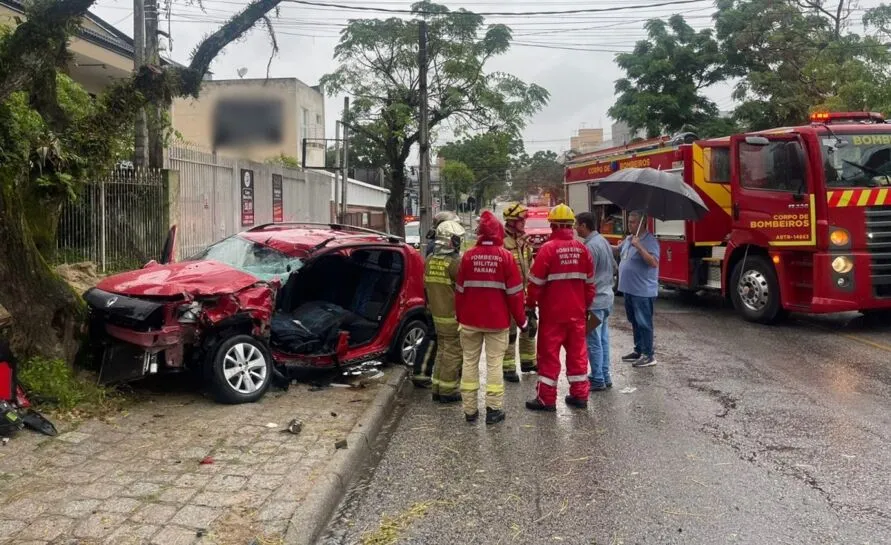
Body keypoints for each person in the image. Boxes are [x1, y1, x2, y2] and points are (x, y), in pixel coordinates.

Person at [455, 211, 527, 425]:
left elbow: (459, 291)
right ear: (498, 232)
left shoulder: (468, 256)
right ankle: (493, 410)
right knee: (495, 364)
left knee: (469, 362)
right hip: (497, 321)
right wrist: (522, 321)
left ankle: (469, 410)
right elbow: (515, 295)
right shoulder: (505, 257)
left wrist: (460, 316)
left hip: (469, 320)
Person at [525, 204, 595, 412]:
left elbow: (535, 284)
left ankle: (546, 400)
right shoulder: (583, 250)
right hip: (577, 314)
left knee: (548, 357)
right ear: (572, 225)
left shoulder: (547, 249)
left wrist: (530, 306)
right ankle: (580, 395)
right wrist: (585, 307)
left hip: (552, 315)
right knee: (577, 356)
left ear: (553, 225)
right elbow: (590, 286)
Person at [575, 212, 617, 391]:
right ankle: (605, 376)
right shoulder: (603, 241)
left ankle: (598, 378)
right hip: (607, 298)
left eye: (577, 225)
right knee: (603, 339)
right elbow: (614, 267)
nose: (576, 228)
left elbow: (587, 277)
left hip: (595, 302)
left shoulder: (590, 247)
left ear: (584, 226)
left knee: (593, 341)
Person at [424, 220, 465, 404]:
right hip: (452, 316)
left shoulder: (430, 260)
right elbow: (463, 290)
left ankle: (437, 387)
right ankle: (448, 391)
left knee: (442, 350)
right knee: (453, 353)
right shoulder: (454, 263)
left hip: (436, 314)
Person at [617, 211, 660, 367]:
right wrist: (598, 243)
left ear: (643, 224)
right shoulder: (629, 239)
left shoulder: (650, 241)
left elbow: (653, 262)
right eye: (629, 221)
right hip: (629, 289)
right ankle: (639, 350)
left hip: (642, 290)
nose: (630, 224)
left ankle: (649, 355)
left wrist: (639, 247)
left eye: (633, 222)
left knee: (644, 322)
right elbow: (617, 249)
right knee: (634, 321)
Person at [501, 202, 538, 382]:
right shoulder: (503, 243)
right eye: (521, 220)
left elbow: (530, 266)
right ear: (511, 221)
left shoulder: (523, 241)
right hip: (507, 296)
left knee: (529, 328)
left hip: (524, 293)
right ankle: (508, 368)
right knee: (511, 331)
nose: (524, 222)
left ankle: (528, 362)